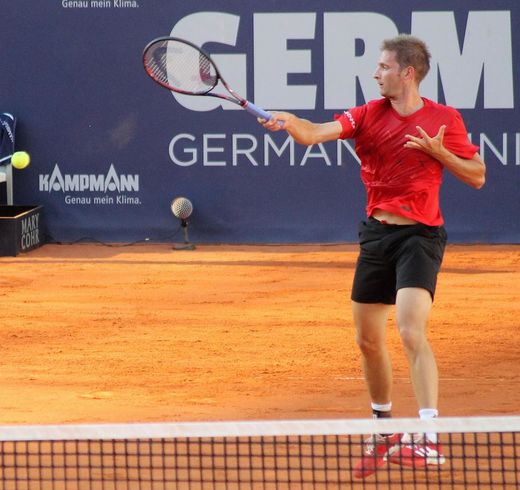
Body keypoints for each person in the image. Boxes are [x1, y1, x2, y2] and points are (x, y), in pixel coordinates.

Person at [260, 34, 485, 477]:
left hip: (420, 235)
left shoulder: (444, 119)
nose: (375, 73)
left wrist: (441, 153)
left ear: (407, 73)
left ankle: (429, 439)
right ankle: (383, 429)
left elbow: (477, 175)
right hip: (376, 237)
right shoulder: (367, 114)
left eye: (383, 67)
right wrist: (288, 121)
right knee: (367, 340)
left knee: (410, 329)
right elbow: (314, 134)